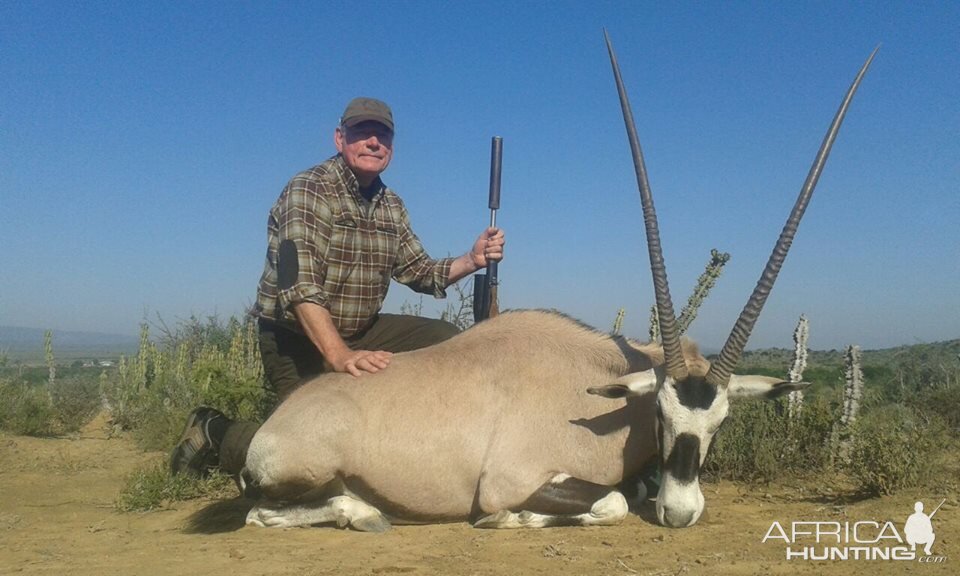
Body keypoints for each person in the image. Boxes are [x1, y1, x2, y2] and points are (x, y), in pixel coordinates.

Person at [170, 97, 505, 478]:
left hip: (362, 329)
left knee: (448, 340)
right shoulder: (309, 190)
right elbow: (299, 287)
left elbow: (420, 271)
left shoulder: (391, 204)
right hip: (297, 338)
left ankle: (430, 437)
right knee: (304, 454)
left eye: (383, 135)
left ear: (391, 147)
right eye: (363, 132)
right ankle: (215, 431)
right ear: (339, 138)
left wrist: (471, 260)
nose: (373, 142)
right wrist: (339, 355)